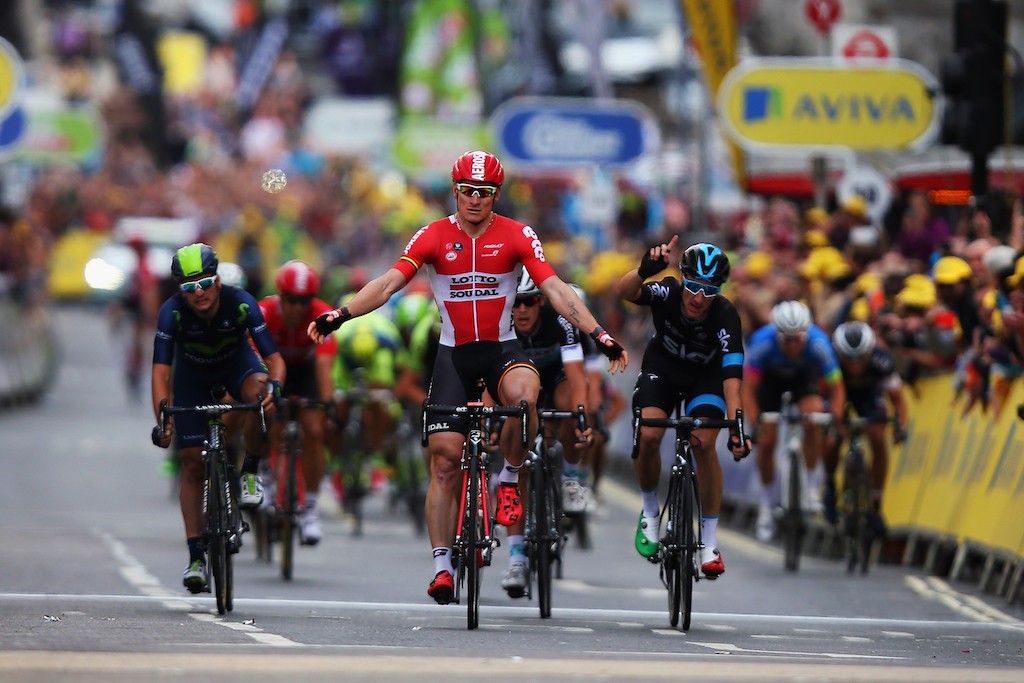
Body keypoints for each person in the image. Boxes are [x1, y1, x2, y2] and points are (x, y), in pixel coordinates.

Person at [308, 150, 628, 605]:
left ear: (496, 195)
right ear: (455, 191)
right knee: (444, 464)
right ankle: (442, 567)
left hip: (501, 351)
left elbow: (555, 288)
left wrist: (600, 333)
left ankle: (510, 479)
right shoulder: (433, 235)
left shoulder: (518, 234)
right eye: (467, 191)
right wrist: (340, 314)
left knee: (525, 396)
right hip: (453, 357)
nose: (475, 199)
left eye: (485, 192)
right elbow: (388, 283)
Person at [150, 243, 285, 592]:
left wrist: (276, 388)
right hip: (192, 379)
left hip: (237, 368)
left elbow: (274, 359)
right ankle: (196, 556)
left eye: (206, 282)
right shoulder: (172, 312)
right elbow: (161, 371)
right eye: (189, 287)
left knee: (259, 398)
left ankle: (250, 471)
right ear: (180, 291)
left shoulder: (242, 303)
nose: (199, 292)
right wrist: (163, 417)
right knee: (192, 465)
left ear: (218, 280)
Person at [616, 238, 750, 578]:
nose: (698, 298)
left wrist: (737, 428)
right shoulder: (668, 291)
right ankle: (650, 512)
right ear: (682, 279)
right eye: (692, 287)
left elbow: (732, 380)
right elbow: (625, 292)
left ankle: (709, 542)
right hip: (662, 370)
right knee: (649, 435)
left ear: (719, 291)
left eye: (709, 290)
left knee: (704, 444)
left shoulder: (726, 316)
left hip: (705, 380)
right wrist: (643, 271)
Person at [501, 271, 593, 598]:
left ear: (540, 301)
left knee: (571, 405)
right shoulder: (500, 321)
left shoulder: (561, 321)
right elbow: (488, 380)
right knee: (518, 467)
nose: (522, 310)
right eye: (516, 303)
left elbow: (578, 378)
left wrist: (582, 417)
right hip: (517, 386)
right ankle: (516, 559)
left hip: (555, 380)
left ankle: (570, 478)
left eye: (528, 302)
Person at [744, 300, 845, 543]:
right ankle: (767, 505)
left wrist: (834, 418)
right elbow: (748, 389)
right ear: (776, 334)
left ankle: (810, 488)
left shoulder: (819, 343)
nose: (792, 345)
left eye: (798, 339)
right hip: (770, 381)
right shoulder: (762, 342)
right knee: (766, 442)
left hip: (803, 377)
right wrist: (755, 422)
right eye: (786, 340)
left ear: (806, 334)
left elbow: (837, 388)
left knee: (813, 419)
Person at [258, 260, 337, 545]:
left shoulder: (322, 315)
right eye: (291, 299)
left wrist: (327, 404)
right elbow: (255, 361)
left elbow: (324, 367)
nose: (297, 307)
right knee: (267, 420)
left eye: (305, 301)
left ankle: (310, 510)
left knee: (314, 430)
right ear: (280, 295)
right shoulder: (264, 312)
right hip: (271, 368)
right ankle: (265, 476)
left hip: (305, 372)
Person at [823, 321, 908, 536]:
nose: (855, 364)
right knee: (833, 439)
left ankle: (876, 507)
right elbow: (824, 395)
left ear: (870, 350)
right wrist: (833, 423)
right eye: (849, 358)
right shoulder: (829, 359)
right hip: (838, 395)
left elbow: (898, 401)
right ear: (839, 353)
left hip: (869, 397)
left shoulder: (881, 360)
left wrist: (900, 427)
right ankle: (830, 485)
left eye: (861, 357)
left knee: (878, 439)